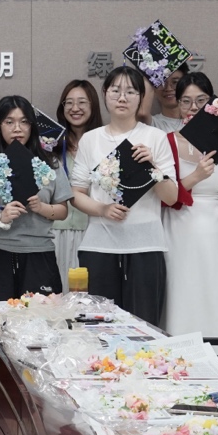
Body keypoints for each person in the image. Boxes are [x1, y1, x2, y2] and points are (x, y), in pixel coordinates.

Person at [72, 67, 179, 325]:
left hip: (146, 246)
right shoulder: (90, 139)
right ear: (105, 94)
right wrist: (102, 209)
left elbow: (171, 197)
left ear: (141, 97)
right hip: (99, 246)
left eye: (131, 91)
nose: (122, 97)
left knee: (144, 324)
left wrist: (153, 167)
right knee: (98, 325)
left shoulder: (156, 138)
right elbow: (76, 193)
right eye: (115, 91)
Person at [163, 73, 218, 338]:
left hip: (215, 228)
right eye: (186, 101)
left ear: (213, 103)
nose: (193, 107)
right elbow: (164, 195)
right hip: (178, 226)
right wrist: (195, 177)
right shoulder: (167, 143)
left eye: (201, 100)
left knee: (216, 288)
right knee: (181, 288)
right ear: (177, 104)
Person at [0, 95, 72, 301]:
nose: (17, 129)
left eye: (24, 122)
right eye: (9, 122)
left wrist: (42, 207)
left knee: (41, 315)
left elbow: (63, 211)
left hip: (39, 255)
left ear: (32, 126)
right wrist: (0, 217)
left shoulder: (49, 164)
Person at [51, 80, 102, 289]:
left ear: (93, 105)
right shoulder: (51, 146)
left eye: (82, 102)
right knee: (56, 293)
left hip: (92, 229)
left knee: (88, 294)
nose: (75, 108)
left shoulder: (103, 144)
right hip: (54, 231)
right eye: (69, 102)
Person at [145, 63, 189, 133]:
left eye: (175, 82)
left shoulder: (198, 121)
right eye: (161, 82)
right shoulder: (150, 123)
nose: (168, 88)